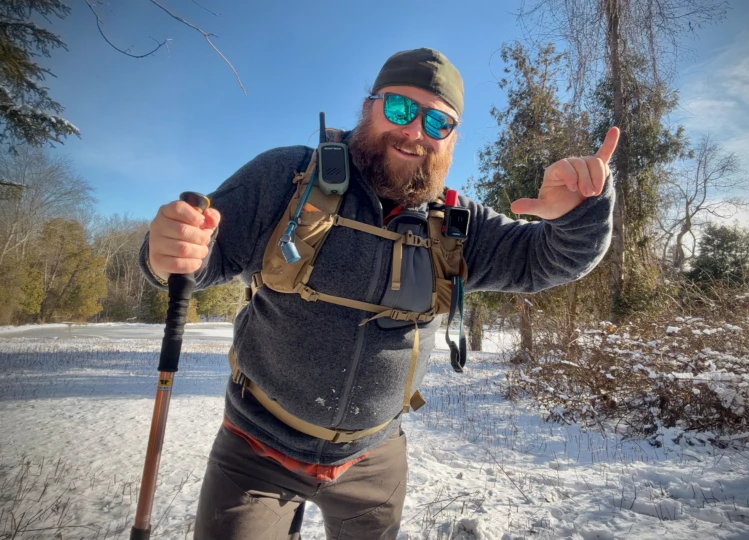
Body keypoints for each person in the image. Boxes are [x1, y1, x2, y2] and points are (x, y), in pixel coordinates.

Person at [140, 48, 618, 540]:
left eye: (438, 122)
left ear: (452, 139)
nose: (414, 131)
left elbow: (549, 259)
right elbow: (201, 257)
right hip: (256, 450)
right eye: (399, 109)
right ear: (368, 106)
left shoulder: (459, 225)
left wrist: (579, 212)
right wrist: (171, 252)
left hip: (374, 459)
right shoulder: (284, 177)